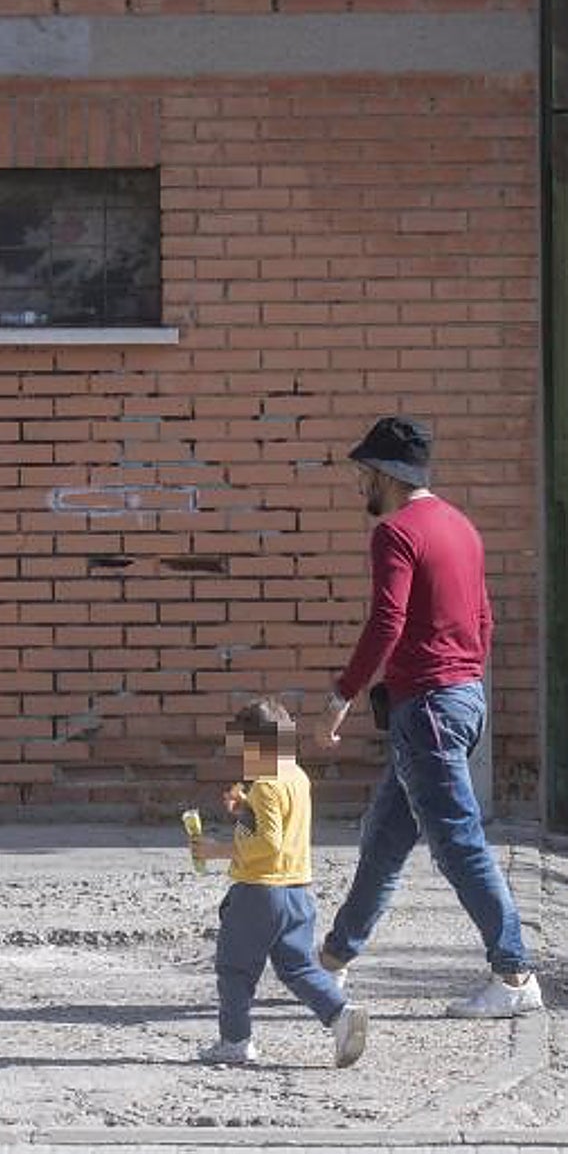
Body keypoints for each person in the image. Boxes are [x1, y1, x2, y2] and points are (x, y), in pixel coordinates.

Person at [313, 416, 542, 1018]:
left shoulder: (396, 533)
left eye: (363, 471)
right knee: (385, 838)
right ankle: (332, 961)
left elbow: (386, 622)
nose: (359, 480)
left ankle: (515, 975)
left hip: (431, 708)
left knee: (458, 844)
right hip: (459, 699)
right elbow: (484, 619)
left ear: (385, 474)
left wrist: (342, 696)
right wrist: (461, 676)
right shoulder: (461, 528)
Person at [190, 696, 369, 1068]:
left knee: (235, 970)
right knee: (299, 968)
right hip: (298, 893)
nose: (243, 761)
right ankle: (341, 1014)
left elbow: (267, 842)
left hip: (259, 893)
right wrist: (243, 811)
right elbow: (281, 829)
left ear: (259, 747)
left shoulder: (265, 785)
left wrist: (217, 849)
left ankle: (235, 1042)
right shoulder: (297, 777)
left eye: (244, 752)